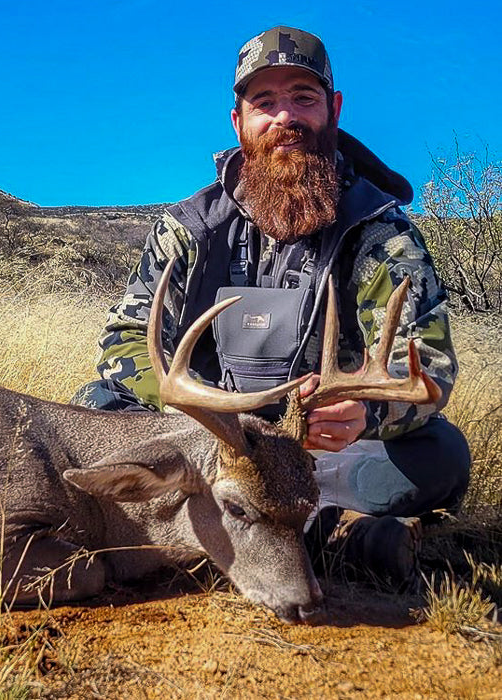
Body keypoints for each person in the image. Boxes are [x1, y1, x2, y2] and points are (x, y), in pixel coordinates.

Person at [72, 26, 470, 582]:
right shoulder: (189, 229)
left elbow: (428, 364)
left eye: (303, 98)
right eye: (265, 102)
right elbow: (126, 340)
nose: (285, 116)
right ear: (239, 121)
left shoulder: (380, 234)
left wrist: (366, 411)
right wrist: (197, 410)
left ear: (333, 109)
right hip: (213, 445)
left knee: (439, 456)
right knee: (96, 406)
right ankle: (327, 536)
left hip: (320, 451)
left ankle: (260, 533)